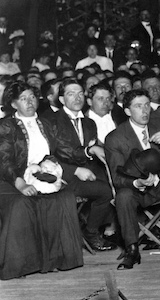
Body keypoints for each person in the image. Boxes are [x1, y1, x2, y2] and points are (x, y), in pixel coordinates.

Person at [0, 81, 84, 280]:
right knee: (22, 203)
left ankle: (57, 259)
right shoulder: (6, 126)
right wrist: (20, 183)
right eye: (23, 99)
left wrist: (88, 152)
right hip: (10, 179)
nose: (29, 102)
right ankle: (23, 264)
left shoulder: (46, 123)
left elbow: (63, 151)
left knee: (64, 198)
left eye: (32, 97)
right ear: (13, 104)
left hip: (44, 176)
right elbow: (3, 160)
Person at [43, 78, 116, 251]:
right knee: (105, 191)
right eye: (71, 94)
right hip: (61, 174)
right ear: (61, 99)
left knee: (117, 184)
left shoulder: (89, 123)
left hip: (85, 170)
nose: (77, 98)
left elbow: (91, 151)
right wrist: (78, 167)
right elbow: (61, 152)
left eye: (80, 94)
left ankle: (98, 228)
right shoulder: (51, 121)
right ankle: (91, 232)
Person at [104, 89, 160, 270]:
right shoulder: (115, 138)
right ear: (127, 111)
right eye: (138, 106)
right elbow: (117, 177)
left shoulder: (159, 123)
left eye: (146, 105)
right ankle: (132, 249)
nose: (144, 111)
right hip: (138, 190)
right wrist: (137, 182)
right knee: (123, 196)